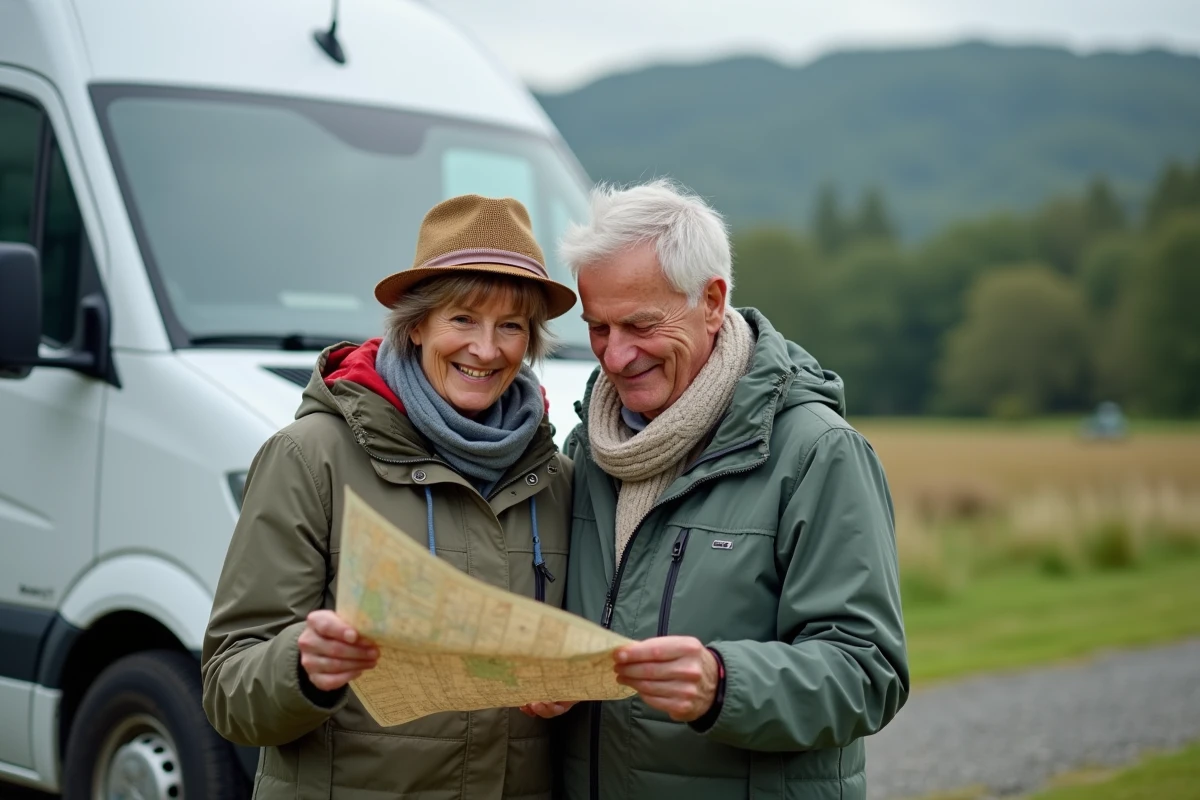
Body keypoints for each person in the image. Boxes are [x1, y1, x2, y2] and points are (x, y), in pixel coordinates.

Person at [528, 180, 909, 800]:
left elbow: (867, 672)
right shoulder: (587, 450)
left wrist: (722, 683)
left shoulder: (819, 453)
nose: (615, 357)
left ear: (711, 301)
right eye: (598, 327)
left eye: (640, 324)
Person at [202, 195, 579, 798]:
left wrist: (569, 689)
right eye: (462, 319)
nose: (486, 349)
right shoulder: (309, 458)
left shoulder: (558, 480)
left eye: (510, 326)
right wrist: (304, 669)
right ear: (416, 324)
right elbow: (229, 691)